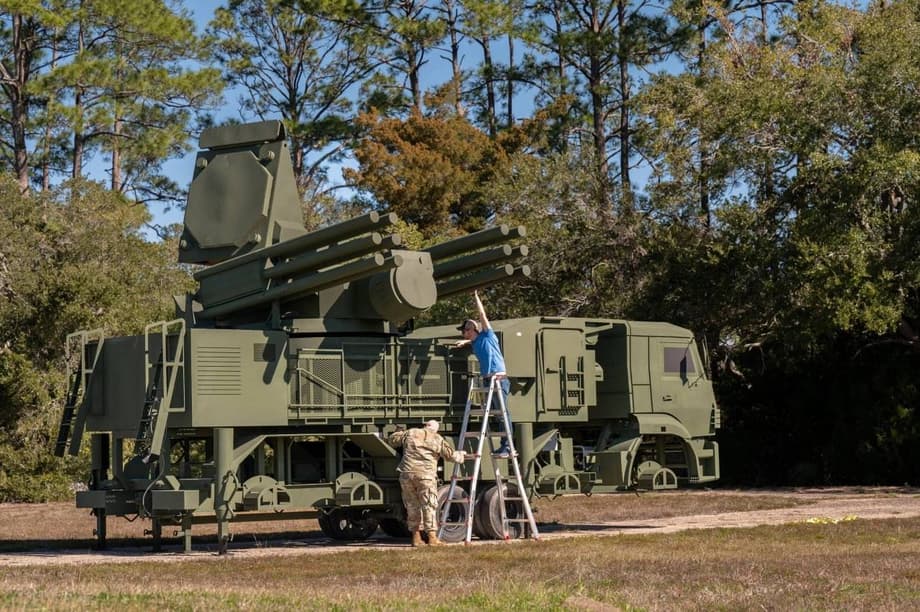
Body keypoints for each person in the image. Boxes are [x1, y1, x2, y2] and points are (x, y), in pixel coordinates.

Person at [454, 289, 514, 457]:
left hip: (498, 379)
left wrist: (475, 297)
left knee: (503, 414)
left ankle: (508, 446)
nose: (463, 333)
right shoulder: (475, 342)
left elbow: (482, 315)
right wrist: (464, 342)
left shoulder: (488, 335)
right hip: (489, 381)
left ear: (472, 329)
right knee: (496, 415)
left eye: (465, 331)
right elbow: (473, 340)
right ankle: (504, 445)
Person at [388, 419, 465, 547]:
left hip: (407, 474)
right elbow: (450, 456)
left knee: (412, 506)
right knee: (429, 505)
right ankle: (432, 538)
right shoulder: (437, 438)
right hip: (425, 476)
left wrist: (398, 430)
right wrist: (461, 456)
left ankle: (416, 538)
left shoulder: (411, 432)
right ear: (436, 429)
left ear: (425, 426)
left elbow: (392, 440)